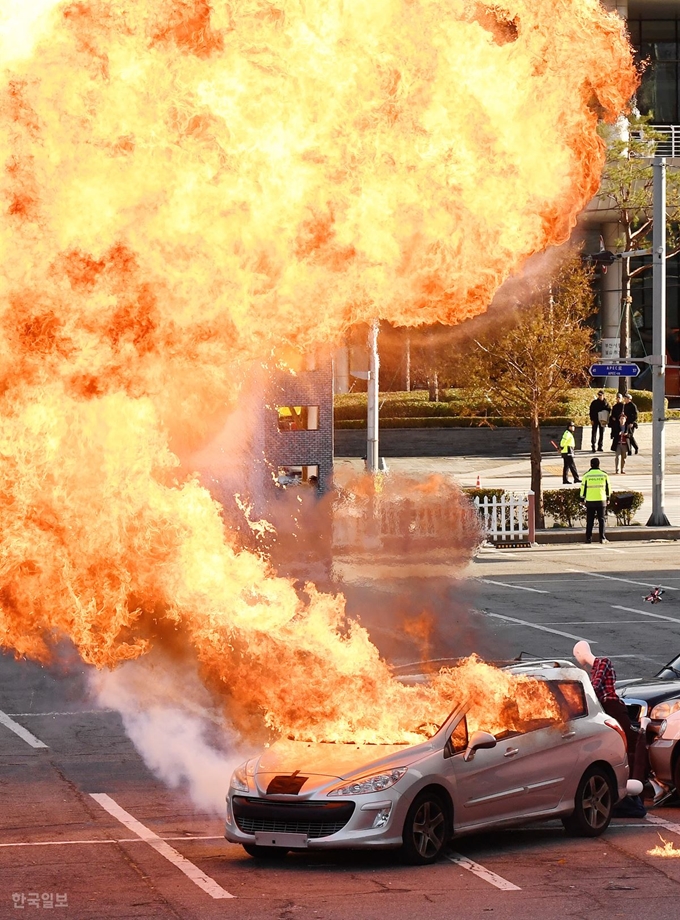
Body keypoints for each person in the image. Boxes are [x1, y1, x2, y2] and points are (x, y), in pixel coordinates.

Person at [573, 641, 648, 815]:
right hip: (608, 710)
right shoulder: (595, 669)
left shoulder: (602, 663)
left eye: (577, 654)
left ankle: (637, 793)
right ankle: (632, 792)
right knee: (624, 746)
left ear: (581, 653)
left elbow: (596, 688)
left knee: (631, 743)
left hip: (612, 706)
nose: (578, 659)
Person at [580, 457, 610, 544]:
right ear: (599, 464)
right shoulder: (604, 475)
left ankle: (588, 538)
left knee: (590, 521)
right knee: (601, 520)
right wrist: (608, 498)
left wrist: (582, 499)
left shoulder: (586, 475)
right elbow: (608, 488)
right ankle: (602, 538)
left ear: (591, 465)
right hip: (601, 500)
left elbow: (583, 489)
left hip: (590, 501)